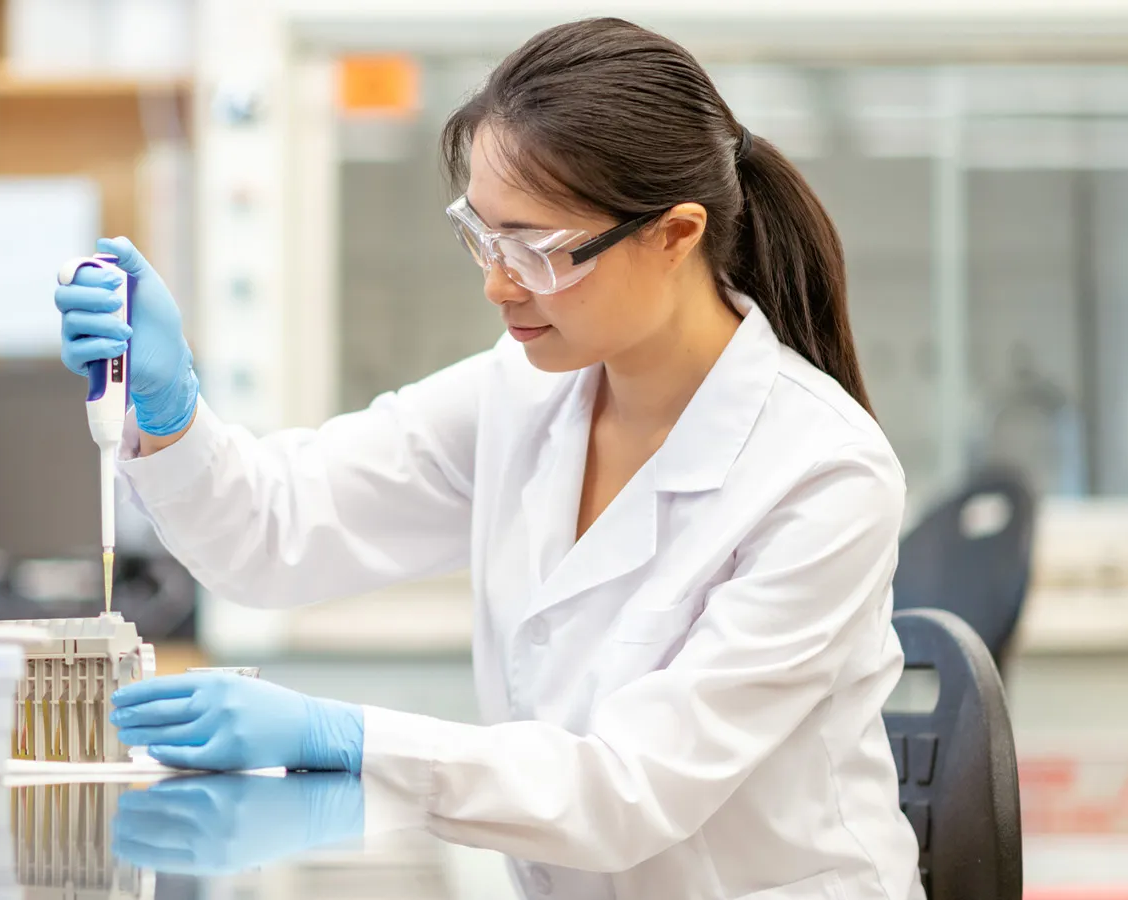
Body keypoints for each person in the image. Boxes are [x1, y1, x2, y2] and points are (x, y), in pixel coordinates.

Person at [55, 16, 921, 900]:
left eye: (537, 249)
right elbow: (274, 533)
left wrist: (348, 736)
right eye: (483, 234)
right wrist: (170, 412)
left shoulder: (822, 476)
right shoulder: (526, 391)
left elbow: (629, 791)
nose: (497, 284)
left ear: (675, 234)